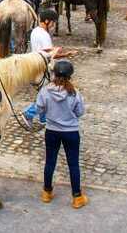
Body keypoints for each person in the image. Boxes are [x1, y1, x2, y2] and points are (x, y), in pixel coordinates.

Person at [35, 60, 87, 209]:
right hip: (71, 132)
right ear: (70, 76)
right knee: (73, 164)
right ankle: (77, 197)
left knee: (50, 162)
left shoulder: (45, 91)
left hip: (52, 131)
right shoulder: (74, 93)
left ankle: (47, 192)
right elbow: (80, 112)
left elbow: (39, 109)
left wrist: (48, 113)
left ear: (54, 74)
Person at [24, 8, 76, 124]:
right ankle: (29, 113)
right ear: (47, 21)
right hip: (43, 69)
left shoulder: (35, 31)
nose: (53, 26)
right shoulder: (44, 35)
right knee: (48, 96)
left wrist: (63, 53)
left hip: (35, 66)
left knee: (42, 94)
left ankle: (43, 118)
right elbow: (50, 55)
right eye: (53, 22)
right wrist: (62, 52)